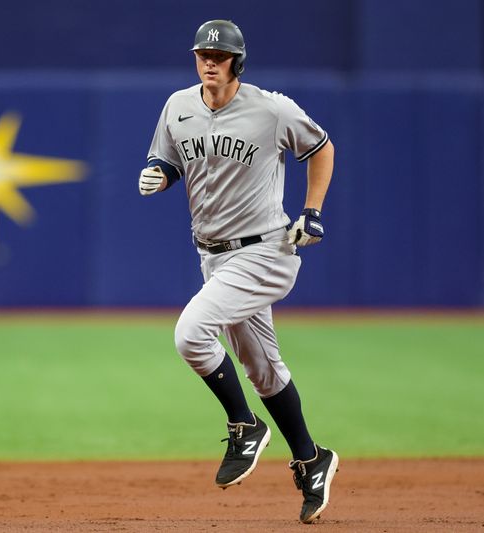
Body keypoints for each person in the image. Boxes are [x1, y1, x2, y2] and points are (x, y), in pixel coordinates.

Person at [139, 19, 338, 524]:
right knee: (263, 371)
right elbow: (170, 158)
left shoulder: (271, 110)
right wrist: (160, 174)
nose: (209, 60)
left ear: (237, 62)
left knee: (191, 334)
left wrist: (312, 211)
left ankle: (244, 426)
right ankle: (313, 460)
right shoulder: (178, 106)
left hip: (266, 251)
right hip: (214, 256)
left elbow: (320, 147)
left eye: (219, 55)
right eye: (203, 53)